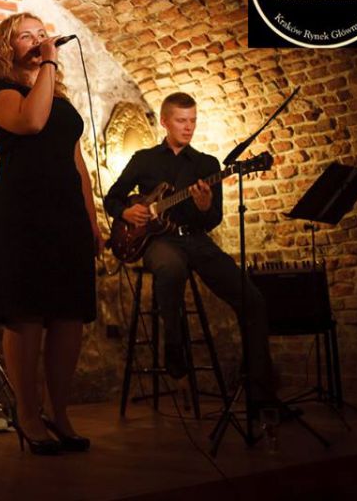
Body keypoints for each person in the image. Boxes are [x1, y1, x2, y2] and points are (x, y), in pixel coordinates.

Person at [104, 92, 277, 415]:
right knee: (171, 269)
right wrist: (126, 212)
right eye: (181, 120)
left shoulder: (207, 165)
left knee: (252, 299)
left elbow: (213, 220)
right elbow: (112, 198)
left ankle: (261, 393)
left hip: (196, 240)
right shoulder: (144, 159)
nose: (188, 127)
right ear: (165, 122)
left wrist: (204, 205)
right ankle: (174, 348)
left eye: (193, 121)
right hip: (158, 242)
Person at [0, 12, 102, 455]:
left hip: (66, 212)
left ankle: (59, 412)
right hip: (24, 212)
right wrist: (49, 62)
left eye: (42, 33)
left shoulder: (62, 99)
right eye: (26, 36)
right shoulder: (3, 92)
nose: (38, 40)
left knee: (69, 313)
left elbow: (77, 162)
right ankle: (28, 414)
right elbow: (32, 123)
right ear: (7, 48)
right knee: (27, 313)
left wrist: (91, 219)